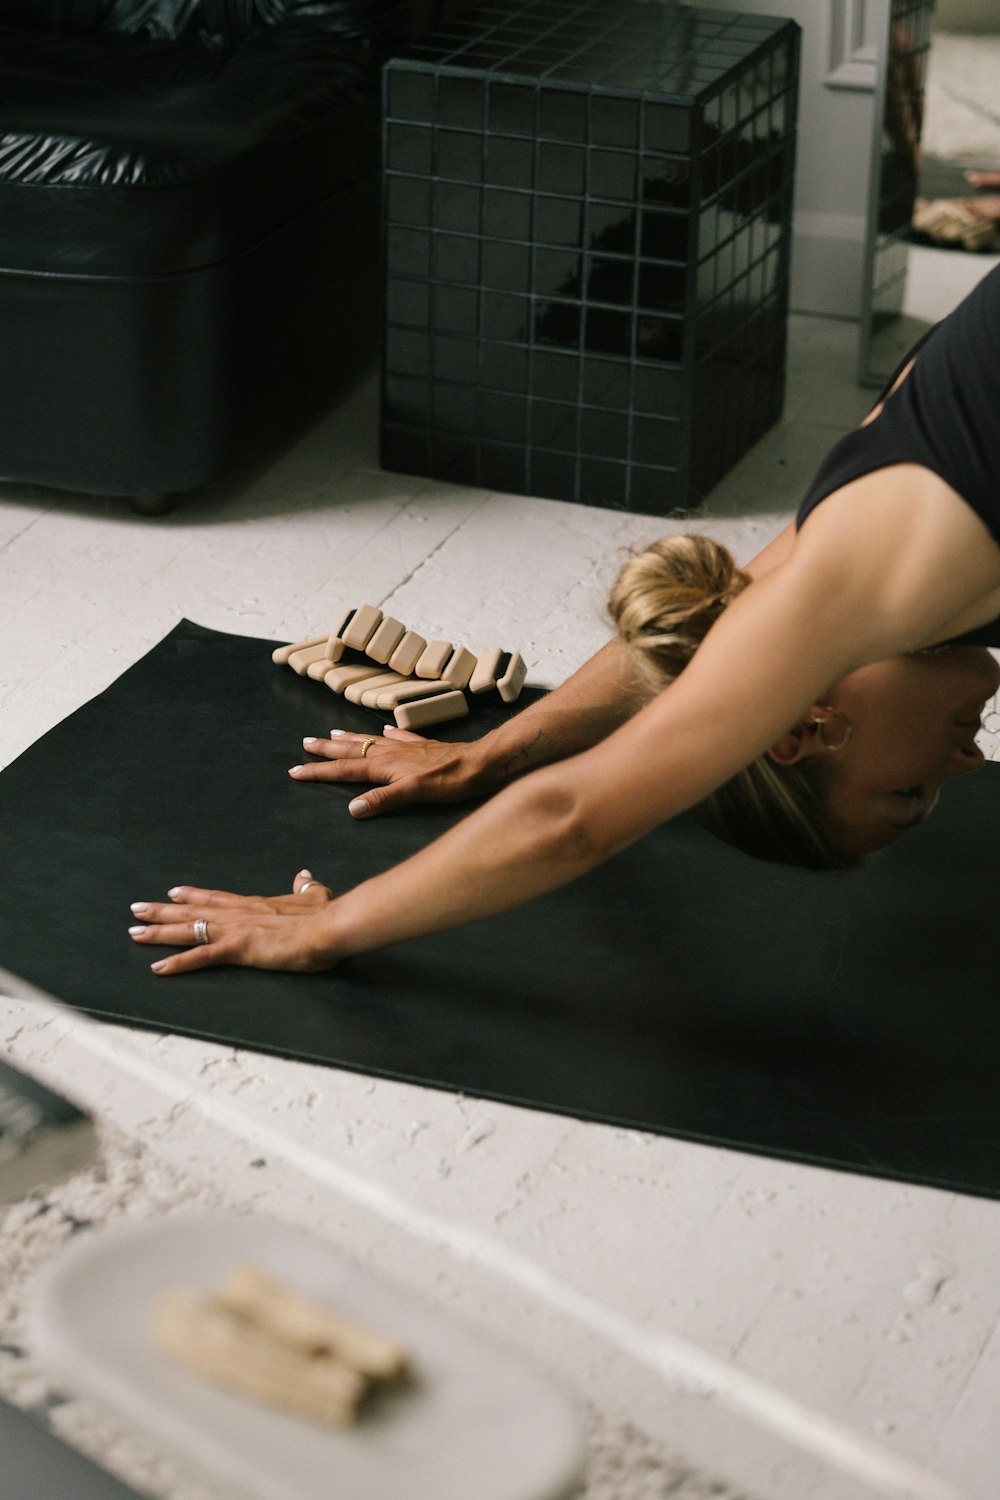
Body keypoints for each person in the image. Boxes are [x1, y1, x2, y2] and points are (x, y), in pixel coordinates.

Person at [129, 266, 1000, 976]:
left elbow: (578, 814)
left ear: (803, 729)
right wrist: (488, 763)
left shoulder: (867, 579)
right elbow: (710, 638)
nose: (966, 762)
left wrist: (338, 920)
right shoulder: (876, 572)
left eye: (907, 791)